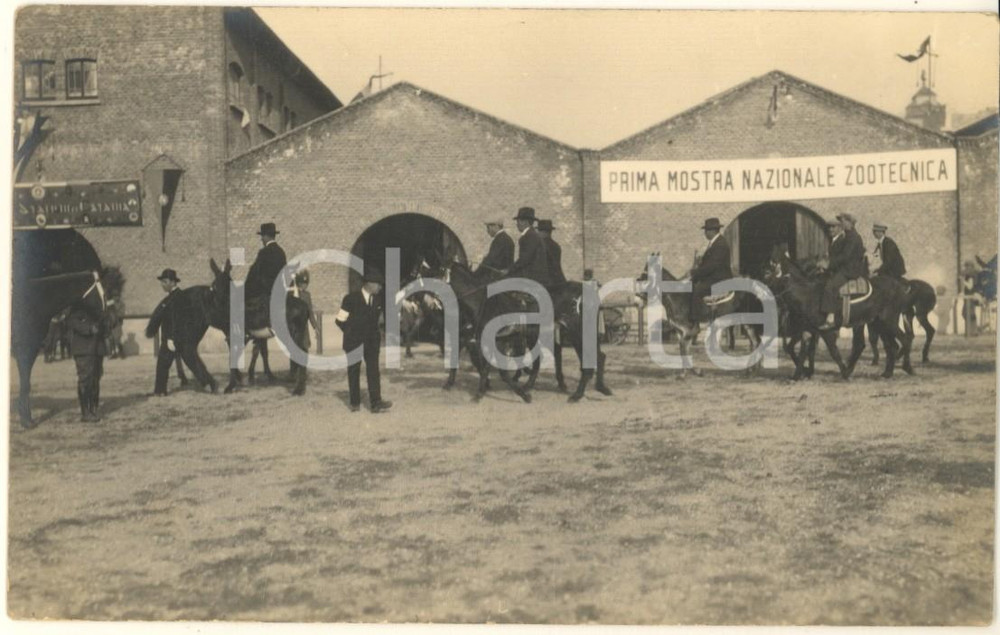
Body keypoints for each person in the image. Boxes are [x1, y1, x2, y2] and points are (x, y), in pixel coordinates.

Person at [336, 266, 392, 413]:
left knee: (373, 371)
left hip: (372, 343)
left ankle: (376, 402)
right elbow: (340, 320)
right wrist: (352, 333)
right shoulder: (350, 299)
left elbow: (378, 321)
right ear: (369, 283)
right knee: (354, 370)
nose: (380, 287)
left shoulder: (378, 300)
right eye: (378, 284)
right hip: (353, 342)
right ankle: (355, 402)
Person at [820, 213, 867, 329]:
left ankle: (830, 319)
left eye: (843, 221)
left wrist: (828, 264)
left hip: (850, 271)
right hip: (845, 268)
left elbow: (845, 256)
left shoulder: (853, 237)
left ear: (850, 223)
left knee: (830, 286)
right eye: (840, 221)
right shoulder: (848, 236)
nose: (841, 223)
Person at [146, 268, 183, 396]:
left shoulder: (178, 297)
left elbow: (177, 318)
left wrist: (172, 338)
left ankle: (160, 391)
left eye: (165, 281)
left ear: (173, 282)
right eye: (162, 282)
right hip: (168, 338)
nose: (162, 284)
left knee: (163, 364)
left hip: (171, 338)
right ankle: (160, 390)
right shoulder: (171, 296)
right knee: (162, 364)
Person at [67, 301, 106, 422]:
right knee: (85, 379)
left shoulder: (101, 306)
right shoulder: (78, 305)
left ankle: (93, 409)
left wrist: (108, 320)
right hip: (83, 349)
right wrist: (89, 328)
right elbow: (72, 322)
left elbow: (110, 322)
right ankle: (85, 412)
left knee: (95, 379)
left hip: (97, 349)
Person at [245, 222, 288, 333]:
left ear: (265, 236)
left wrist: (247, 287)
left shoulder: (263, 252)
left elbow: (254, 273)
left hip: (265, 291)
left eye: (262, 237)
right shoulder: (281, 252)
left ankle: (249, 333)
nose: (261, 240)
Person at [689, 217, 732, 320]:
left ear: (713, 231)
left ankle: (695, 320)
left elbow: (712, 266)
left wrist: (695, 273)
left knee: (697, 290)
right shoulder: (714, 243)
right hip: (713, 277)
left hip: (719, 279)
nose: (705, 233)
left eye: (707, 230)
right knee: (690, 285)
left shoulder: (720, 244)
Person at [504, 206, 550, 287]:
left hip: (533, 279)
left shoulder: (530, 236)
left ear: (525, 222)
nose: (517, 224)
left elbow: (524, 259)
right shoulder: (531, 235)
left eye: (518, 221)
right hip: (533, 277)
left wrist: (508, 270)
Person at [537, 219, 567, 287]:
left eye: (539, 231)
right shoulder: (556, 245)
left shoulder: (541, 246)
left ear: (544, 232)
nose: (538, 233)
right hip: (559, 279)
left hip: (547, 282)